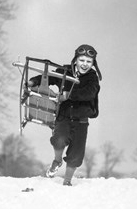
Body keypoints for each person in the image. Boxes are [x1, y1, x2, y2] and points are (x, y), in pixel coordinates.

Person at [27, 44, 102, 186]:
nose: (84, 64)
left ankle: (67, 182)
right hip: (64, 117)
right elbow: (49, 77)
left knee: (76, 155)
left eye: (88, 61)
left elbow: (89, 93)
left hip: (81, 120)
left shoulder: (92, 78)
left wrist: (69, 95)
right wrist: (33, 82)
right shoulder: (65, 71)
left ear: (93, 64)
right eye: (82, 60)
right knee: (59, 139)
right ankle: (57, 160)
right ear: (75, 60)